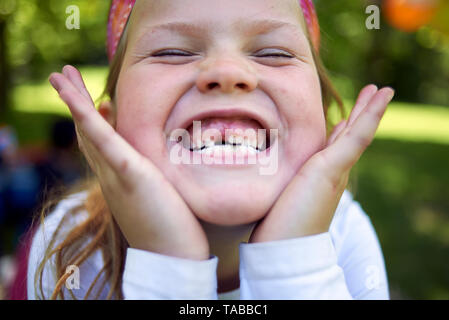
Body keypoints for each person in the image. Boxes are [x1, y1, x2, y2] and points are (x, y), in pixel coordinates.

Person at [27, 0, 395, 300]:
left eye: (272, 53)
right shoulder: (68, 246)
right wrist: (170, 267)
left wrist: (294, 268)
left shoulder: (347, 236)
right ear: (109, 129)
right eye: (172, 51)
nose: (226, 71)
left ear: (324, 121)